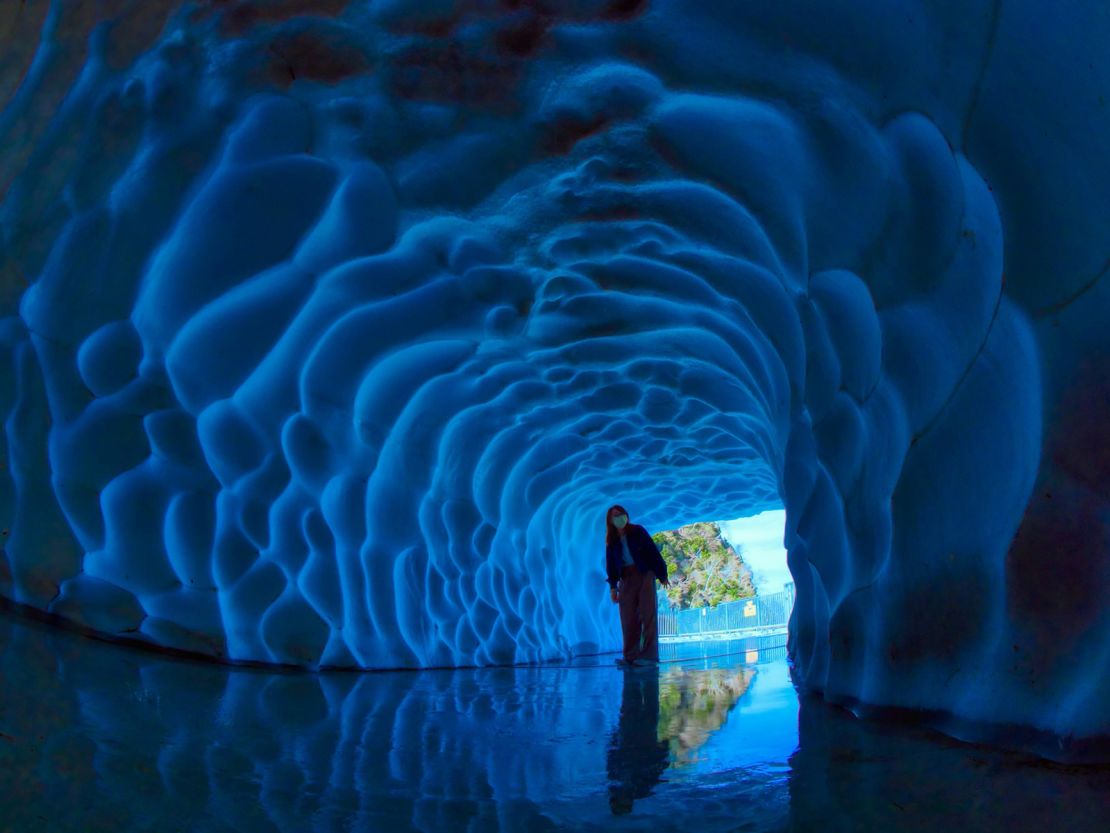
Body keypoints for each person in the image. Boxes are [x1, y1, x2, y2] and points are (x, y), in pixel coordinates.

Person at [604, 505, 669, 666]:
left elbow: (652, 551)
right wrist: (613, 587)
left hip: (645, 574)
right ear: (610, 521)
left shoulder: (637, 531)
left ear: (626, 515)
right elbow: (611, 566)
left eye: (621, 514)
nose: (619, 517)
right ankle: (630, 656)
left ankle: (649, 656)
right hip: (626, 577)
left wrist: (662, 574)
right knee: (627, 617)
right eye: (615, 515)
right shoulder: (611, 542)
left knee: (648, 613)